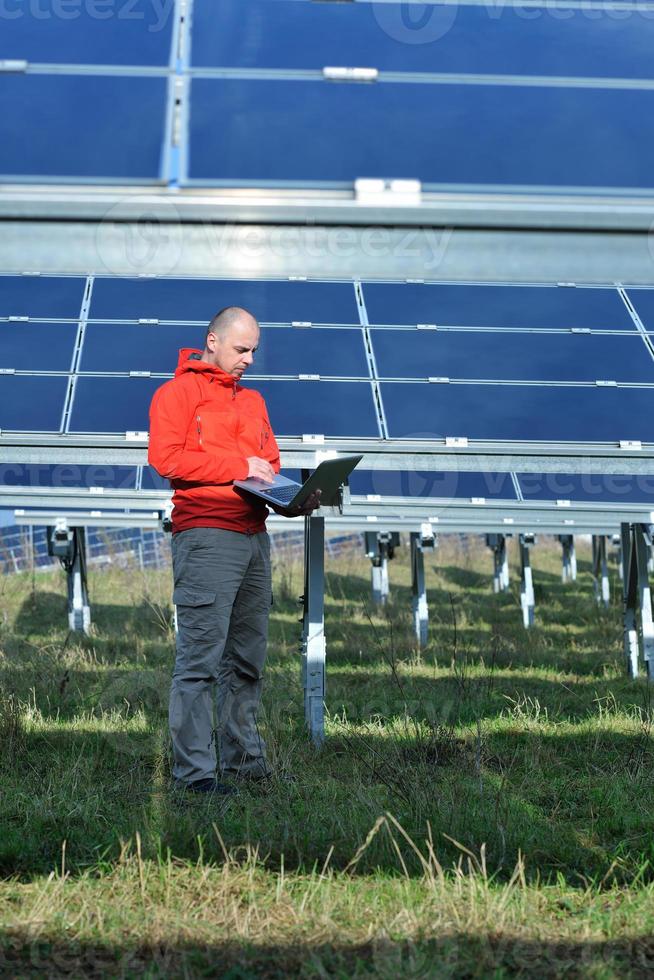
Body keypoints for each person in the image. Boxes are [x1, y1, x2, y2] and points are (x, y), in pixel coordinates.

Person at [148, 306, 320, 795]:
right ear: (212, 341)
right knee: (200, 661)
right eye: (241, 349)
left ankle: (245, 762)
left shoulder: (254, 402)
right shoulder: (176, 394)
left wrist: (296, 500)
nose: (248, 360)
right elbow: (166, 458)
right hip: (205, 535)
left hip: (254, 537)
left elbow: (265, 471)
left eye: (254, 352)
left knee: (246, 659)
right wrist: (237, 464)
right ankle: (196, 775)